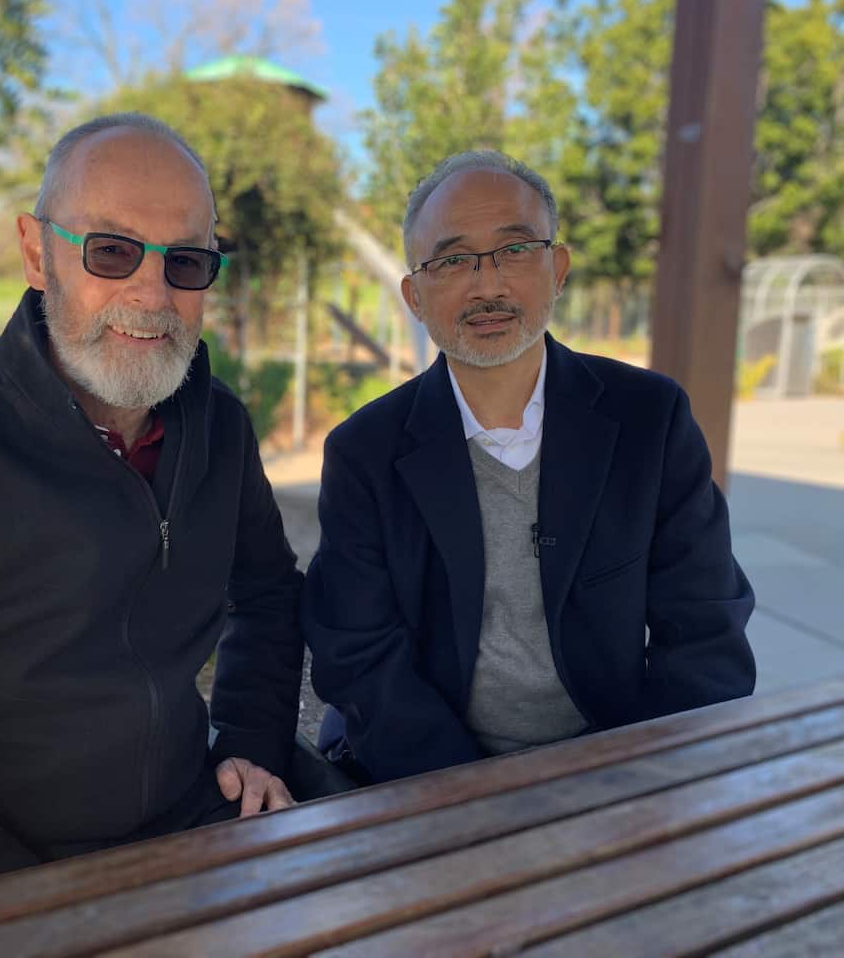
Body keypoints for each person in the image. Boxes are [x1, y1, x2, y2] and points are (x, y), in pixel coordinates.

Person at [0, 113, 305, 904]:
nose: (152, 292)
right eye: (111, 251)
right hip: (0, 885)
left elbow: (270, 595)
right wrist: (50, 922)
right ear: (38, 255)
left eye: (186, 261)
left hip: (196, 826)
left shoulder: (220, 429)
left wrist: (250, 740)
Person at [302, 150, 755, 785]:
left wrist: (627, 782)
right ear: (414, 295)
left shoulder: (650, 421)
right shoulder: (365, 452)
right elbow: (357, 655)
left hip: (615, 769)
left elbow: (706, 632)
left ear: (558, 267)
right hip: (429, 781)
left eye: (515, 251)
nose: (488, 286)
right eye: (453, 260)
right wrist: (472, 803)